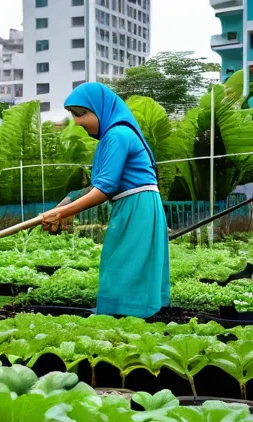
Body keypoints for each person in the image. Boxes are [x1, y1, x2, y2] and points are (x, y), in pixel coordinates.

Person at [40, 82, 170, 319]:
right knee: (121, 266)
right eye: (73, 115)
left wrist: (62, 213)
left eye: (81, 114)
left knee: (126, 268)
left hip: (137, 208)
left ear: (101, 109)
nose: (77, 122)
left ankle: (129, 325)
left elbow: (104, 188)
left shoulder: (118, 135)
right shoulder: (113, 136)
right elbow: (98, 185)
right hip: (132, 205)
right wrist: (65, 205)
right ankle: (126, 322)